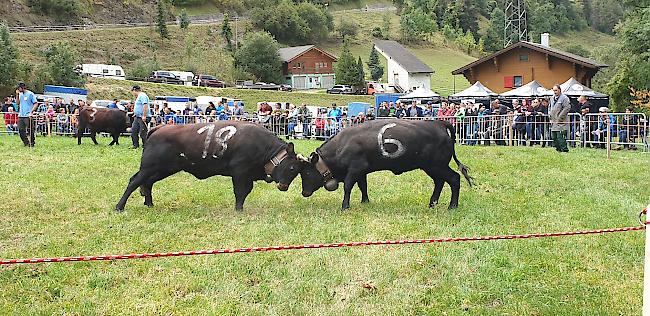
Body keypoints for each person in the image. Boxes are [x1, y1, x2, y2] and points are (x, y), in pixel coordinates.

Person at [16, 82, 39, 147]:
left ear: (22, 88)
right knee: (20, 130)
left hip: (28, 115)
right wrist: (17, 95)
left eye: (19, 88)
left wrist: (31, 112)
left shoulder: (30, 94)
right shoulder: (20, 94)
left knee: (30, 130)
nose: (18, 89)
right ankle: (26, 142)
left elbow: (36, 103)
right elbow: (17, 103)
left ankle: (32, 143)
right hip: (21, 115)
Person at [549, 84, 571, 152]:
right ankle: (558, 149)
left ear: (559, 90)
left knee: (560, 136)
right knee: (554, 137)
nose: (555, 92)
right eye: (553, 90)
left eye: (556, 90)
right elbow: (549, 107)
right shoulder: (552, 98)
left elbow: (567, 108)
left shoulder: (564, 98)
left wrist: (560, 118)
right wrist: (550, 116)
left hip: (561, 121)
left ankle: (564, 150)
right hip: (553, 121)